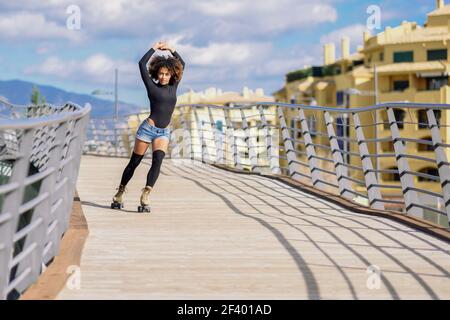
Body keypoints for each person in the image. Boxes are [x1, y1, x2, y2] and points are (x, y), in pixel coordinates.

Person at [111, 41, 185, 212]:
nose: (163, 77)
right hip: (147, 129)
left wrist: (171, 49)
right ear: (157, 73)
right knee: (134, 163)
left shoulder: (174, 87)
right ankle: (120, 191)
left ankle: (146, 193)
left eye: (166, 74)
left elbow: (183, 64)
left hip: (163, 131)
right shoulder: (151, 86)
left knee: (157, 161)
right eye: (161, 74)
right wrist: (154, 48)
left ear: (171, 75)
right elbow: (141, 63)